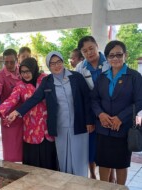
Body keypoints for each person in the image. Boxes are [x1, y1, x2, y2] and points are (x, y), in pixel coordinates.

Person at [8, 51, 94, 177]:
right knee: (63, 158)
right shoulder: (47, 81)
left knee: (79, 157)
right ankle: (66, 184)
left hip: (79, 124)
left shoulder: (76, 77)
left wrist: (89, 121)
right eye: (52, 63)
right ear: (49, 66)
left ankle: (81, 184)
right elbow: (35, 98)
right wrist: (17, 112)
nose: (56, 66)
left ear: (63, 62)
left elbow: (87, 99)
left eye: (58, 62)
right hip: (60, 126)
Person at [0, 57, 58, 170]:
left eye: (28, 71)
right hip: (31, 131)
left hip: (48, 130)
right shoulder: (20, 86)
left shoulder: (45, 79)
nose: (25, 75)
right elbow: (11, 100)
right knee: (33, 167)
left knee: (49, 165)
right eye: (22, 72)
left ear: (34, 69)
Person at [91, 40, 142, 185]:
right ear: (107, 58)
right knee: (103, 162)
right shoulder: (102, 77)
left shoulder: (134, 76)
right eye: (111, 55)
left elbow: (139, 101)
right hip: (103, 128)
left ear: (125, 55)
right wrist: (100, 114)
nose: (115, 58)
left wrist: (121, 117)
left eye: (119, 54)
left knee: (121, 163)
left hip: (123, 128)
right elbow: (94, 99)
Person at [76, 35, 112, 180]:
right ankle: (92, 175)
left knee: (109, 147)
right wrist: (88, 119)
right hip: (91, 113)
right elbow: (81, 94)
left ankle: (111, 177)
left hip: (110, 112)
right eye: (85, 51)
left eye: (91, 48)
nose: (89, 53)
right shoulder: (80, 67)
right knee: (91, 147)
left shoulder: (110, 62)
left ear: (97, 46)